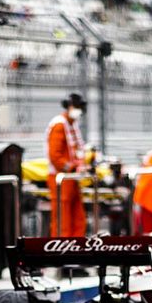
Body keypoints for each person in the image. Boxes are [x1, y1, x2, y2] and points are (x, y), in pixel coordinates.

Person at [46, 92, 87, 237]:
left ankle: (77, 248)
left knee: (77, 217)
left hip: (72, 179)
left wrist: (82, 164)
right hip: (61, 179)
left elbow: (77, 150)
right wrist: (72, 167)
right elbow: (55, 156)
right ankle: (61, 252)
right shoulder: (59, 125)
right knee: (62, 219)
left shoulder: (71, 125)